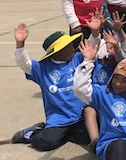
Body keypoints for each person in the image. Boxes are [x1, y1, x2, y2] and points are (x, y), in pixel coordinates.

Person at [11, 22, 93, 151]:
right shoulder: (43, 68)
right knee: (46, 143)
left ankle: (65, 134)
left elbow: (92, 48)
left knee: (89, 136)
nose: (72, 49)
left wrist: (95, 32)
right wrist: (20, 44)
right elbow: (24, 63)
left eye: (72, 45)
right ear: (56, 52)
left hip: (79, 116)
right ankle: (32, 132)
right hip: (58, 119)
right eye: (67, 47)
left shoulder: (77, 59)